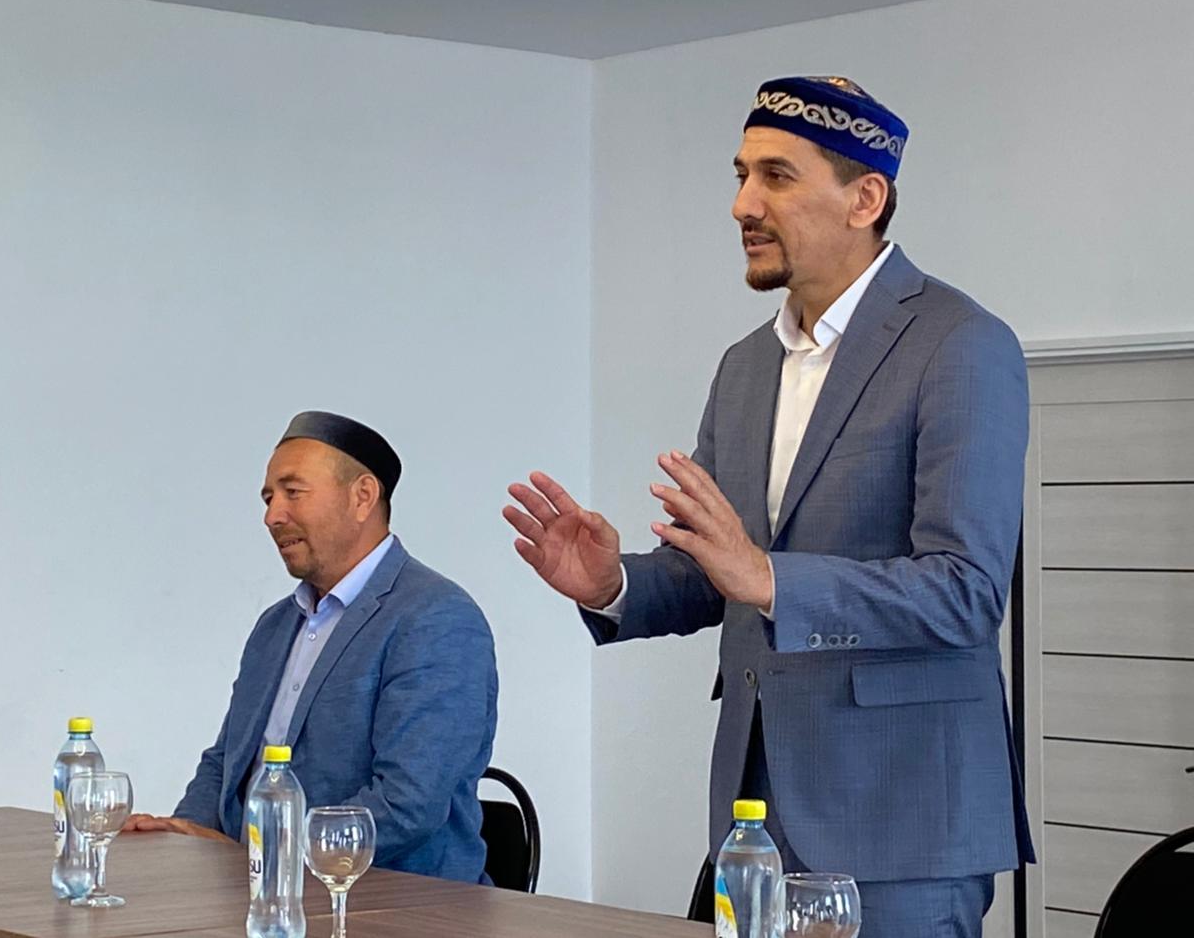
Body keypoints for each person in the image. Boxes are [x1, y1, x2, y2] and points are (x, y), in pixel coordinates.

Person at [503, 76, 1034, 936]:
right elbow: (718, 574)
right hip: (753, 821)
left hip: (901, 827)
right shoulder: (745, 365)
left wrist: (770, 578)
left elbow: (964, 591)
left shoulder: (962, 346)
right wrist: (613, 586)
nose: (742, 204)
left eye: (777, 177)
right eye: (742, 175)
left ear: (866, 199)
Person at [128, 411, 498, 884]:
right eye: (268, 498)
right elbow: (226, 763)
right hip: (263, 891)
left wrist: (256, 854)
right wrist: (186, 839)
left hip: (393, 904)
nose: (272, 516)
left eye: (293, 492)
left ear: (362, 496)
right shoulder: (275, 625)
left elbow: (407, 806)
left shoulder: (435, 618)